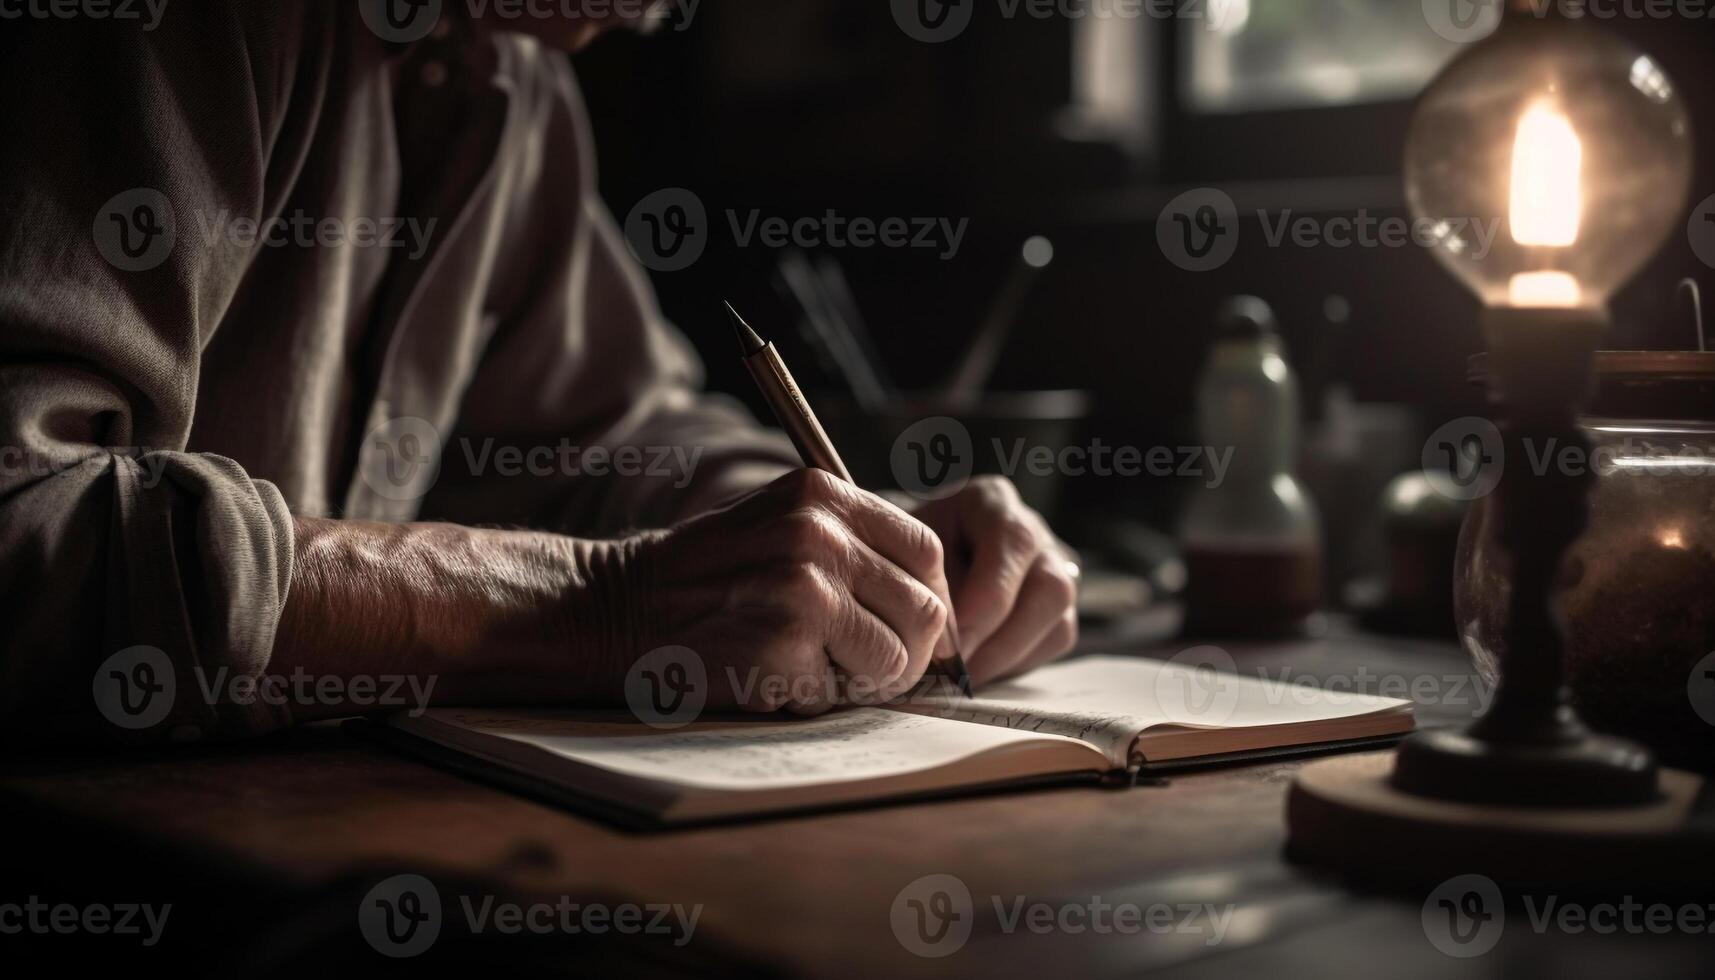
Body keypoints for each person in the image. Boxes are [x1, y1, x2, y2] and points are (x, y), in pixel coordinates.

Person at [0, 2, 1078, 742]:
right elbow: (22, 521)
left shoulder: (511, 79)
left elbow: (618, 436)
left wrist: (859, 545)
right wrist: (595, 606)